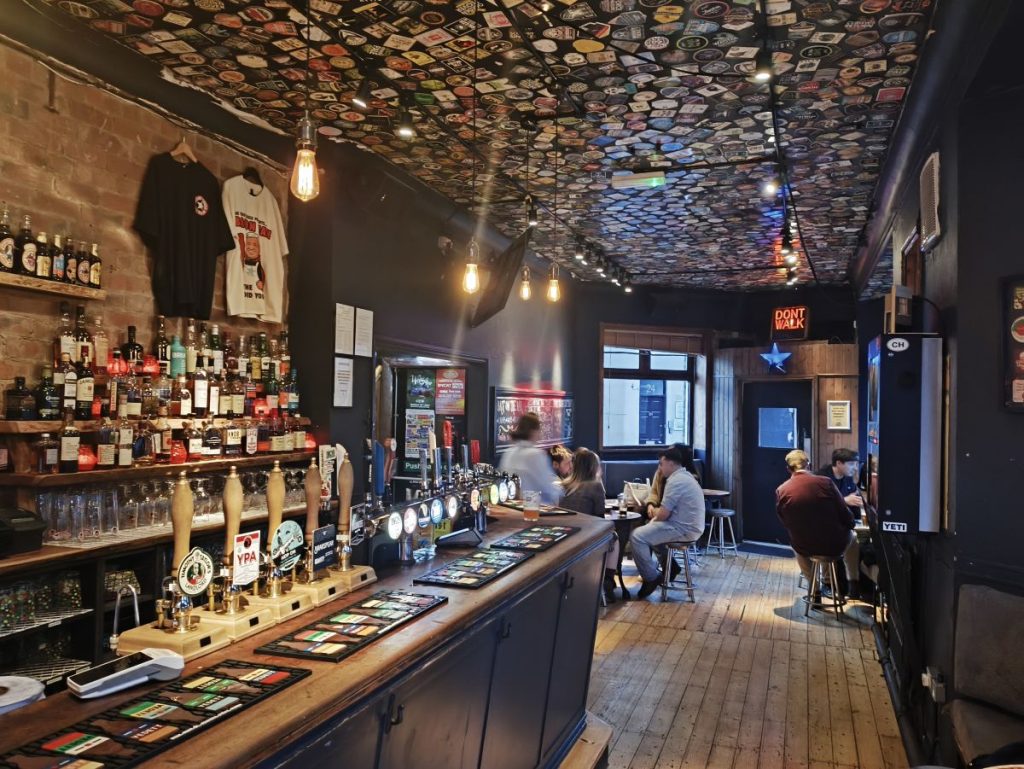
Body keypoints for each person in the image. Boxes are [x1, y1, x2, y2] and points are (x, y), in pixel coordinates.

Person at [777, 449, 861, 601]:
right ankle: (850, 584)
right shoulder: (825, 482)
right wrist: (851, 523)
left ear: (788, 469)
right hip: (833, 545)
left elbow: (785, 520)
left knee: (796, 545)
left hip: (804, 545)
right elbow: (844, 513)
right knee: (852, 537)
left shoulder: (782, 490)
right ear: (808, 465)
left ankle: (814, 591)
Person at [630, 446, 706, 599]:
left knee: (637, 536)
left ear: (671, 463)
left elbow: (663, 514)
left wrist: (654, 517)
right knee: (649, 531)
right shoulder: (684, 477)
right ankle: (668, 569)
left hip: (683, 529)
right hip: (689, 526)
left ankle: (651, 577)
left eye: (661, 463)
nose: (659, 467)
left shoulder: (676, 481)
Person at [560, 447, 619, 603]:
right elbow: (600, 516)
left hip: (565, 534)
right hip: (586, 537)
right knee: (615, 537)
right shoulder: (595, 486)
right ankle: (607, 581)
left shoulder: (564, 485)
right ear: (593, 467)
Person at [498, 412, 560, 505]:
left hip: (511, 507)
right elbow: (548, 489)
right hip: (534, 509)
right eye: (539, 429)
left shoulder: (508, 452)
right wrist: (561, 489)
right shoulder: (535, 455)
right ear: (533, 431)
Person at [817, 448, 864, 519]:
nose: (855, 468)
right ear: (838, 463)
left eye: (856, 464)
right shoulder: (821, 478)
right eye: (851, 464)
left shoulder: (848, 477)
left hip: (843, 522)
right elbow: (820, 504)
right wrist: (844, 500)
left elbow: (854, 502)